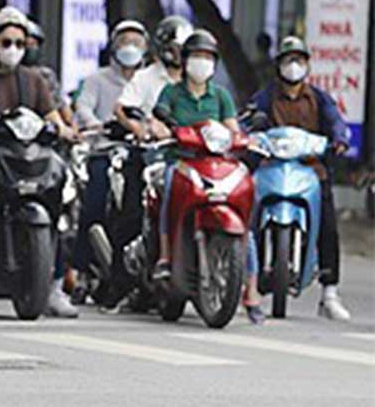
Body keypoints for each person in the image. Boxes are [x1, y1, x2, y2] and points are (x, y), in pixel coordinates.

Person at [0, 6, 80, 318]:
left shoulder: (34, 80)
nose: (13, 49)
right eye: (7, 42)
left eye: (20, 44)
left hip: (30, 155)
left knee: (60, 179)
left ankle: (55, 282)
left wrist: (62, 128)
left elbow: (51, 114)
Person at [148, 30, 260, 321]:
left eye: (208, 57)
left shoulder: (221, 95)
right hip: (181, 162)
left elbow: (232, 128)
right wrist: (163, 128)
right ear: (185, 61)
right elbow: (159, 117)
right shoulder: (172, 92)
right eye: (197, 56)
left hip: (216, 163)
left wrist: (245, 139)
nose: (202, 62)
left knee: (246, 197)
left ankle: (251, 283)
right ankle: (164, 255)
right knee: (170, 184)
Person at [246, 37, 352, 321]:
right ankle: (248, 285)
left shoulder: (319, 98)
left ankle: (329, 292)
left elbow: (335, 122)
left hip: (311, 170)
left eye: (299, 61)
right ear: (278, 65)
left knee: (328, 225)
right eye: (288, 60)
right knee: (247, 219)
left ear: (307, 65)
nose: (293, 67)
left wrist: (339, 139)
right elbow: (248, 119)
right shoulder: (265, 97)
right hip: (271, 168)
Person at [70, 20, 148, 281]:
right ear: (113, 47)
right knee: (93, 203)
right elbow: (83, 107)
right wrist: (94, 123)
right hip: (105, 150)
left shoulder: (148, 81)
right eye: (125, 42)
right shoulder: (96, 79)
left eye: (137, 43)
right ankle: (80, 268)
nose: (130, 47)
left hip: (140, 152)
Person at [115, 15, 193, 137]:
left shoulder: (197, 79)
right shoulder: (145, 77)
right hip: (156, 146)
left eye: (184, 49)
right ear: (165, 48)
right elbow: (122, 109)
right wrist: (140, 129)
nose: (180, 53)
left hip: (193, 145)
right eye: (175, 48)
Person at [24, 21, 74, 127]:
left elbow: (61, 106)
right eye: (25, 45)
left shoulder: (46, 75)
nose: (29, 49)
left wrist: (71, 127)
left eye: (33, 45)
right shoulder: (4, 74)